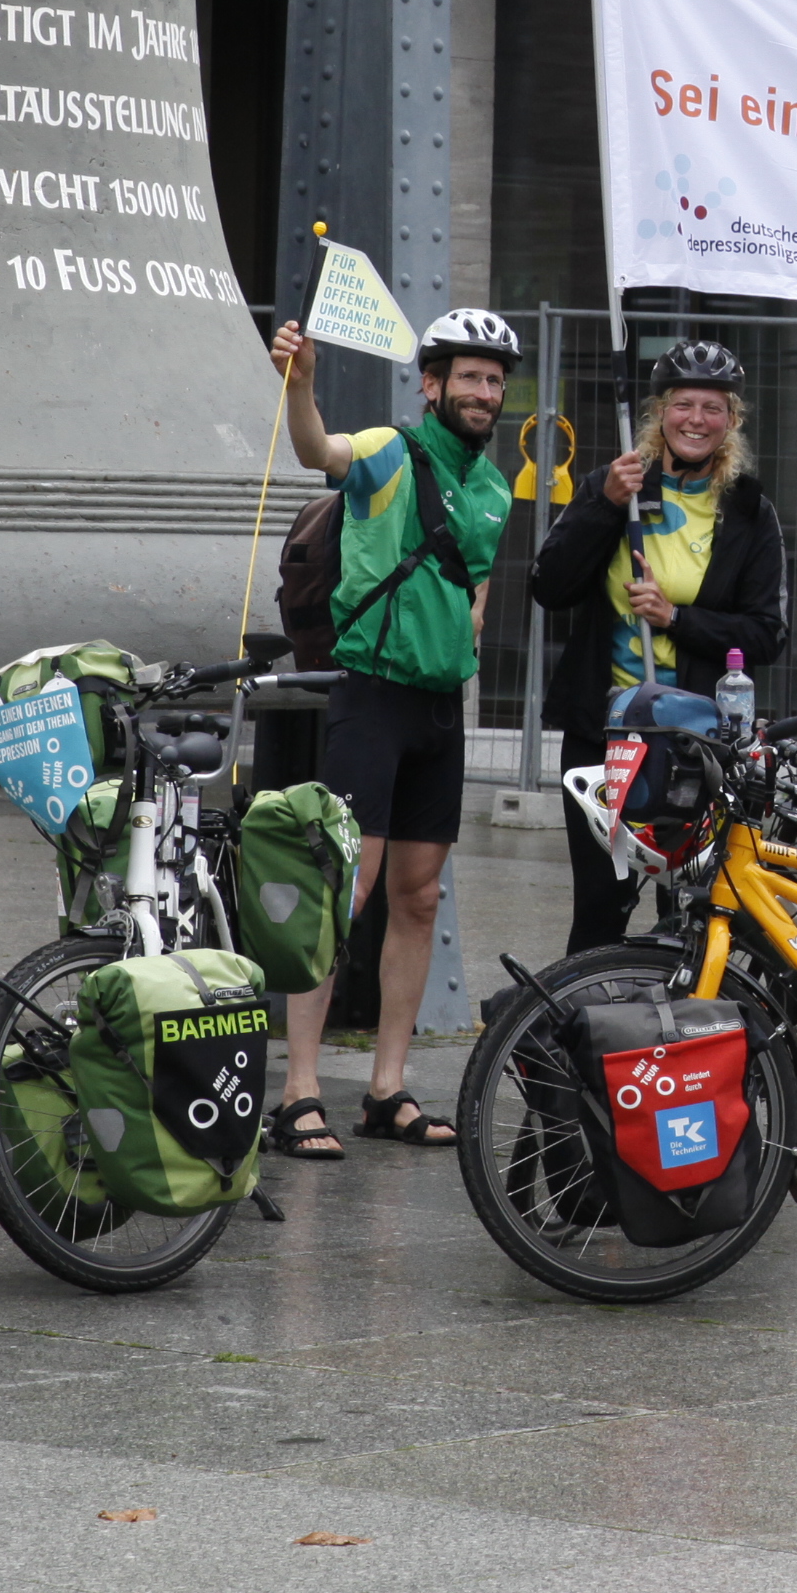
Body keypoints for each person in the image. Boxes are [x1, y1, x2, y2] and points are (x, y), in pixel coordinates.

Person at [260, 305, 520, 1155]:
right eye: (470, 377)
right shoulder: (390, 453)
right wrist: (301, 387)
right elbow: (316, 452)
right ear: (433, 384)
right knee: (346, 895)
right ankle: (299, 1089)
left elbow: (474, 586)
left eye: (495, 380)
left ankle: (386, 1088)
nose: (485, 393)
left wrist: (463, 633)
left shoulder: (491, 486)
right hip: (372, 697)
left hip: (441, 709)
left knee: (418, 899)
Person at [531, 339, 788, 953]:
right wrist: (602, 505)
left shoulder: (749, 511)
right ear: (659, 413)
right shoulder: (615, 486)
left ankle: (681, 1038)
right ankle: (589, 1035)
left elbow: (768, 633)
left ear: (732, 421)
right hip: (608, 733)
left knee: (690, 906)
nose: (696, 420)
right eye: (683, 405)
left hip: (697, 741)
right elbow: (549, 584)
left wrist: (679, 619)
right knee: (601, 901)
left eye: (712, 407)